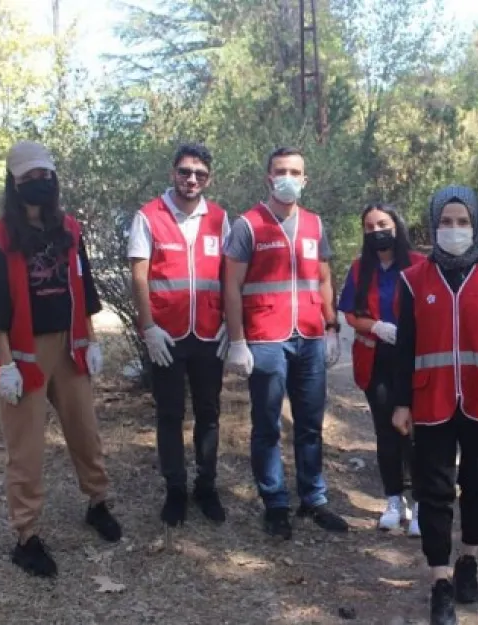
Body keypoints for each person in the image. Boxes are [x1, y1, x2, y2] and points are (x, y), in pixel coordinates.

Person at [0, 141, 121, 578]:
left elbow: (85, 288)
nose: (39, 183)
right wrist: (7, 365)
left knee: (85, 433)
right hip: (23, 353)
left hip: (70, 347)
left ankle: (97, 503)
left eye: (45, 176)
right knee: (27, 450)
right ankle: (26, 535)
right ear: (14, 183)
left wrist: (91, 340)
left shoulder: (70, 230)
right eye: (29, 177)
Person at [392, 185, 478, 625]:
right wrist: (399, 403)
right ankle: (440, 581)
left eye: (462, 222)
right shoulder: (413, 280)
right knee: (433, 492)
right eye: (445, 222)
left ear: (476, 224)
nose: (453, 229)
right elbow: (403, 348)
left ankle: (469, 558)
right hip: (429, 400)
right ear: (433, 225)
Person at [223, 146, 348, 538]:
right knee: (267, 424)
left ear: (305, 179)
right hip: (265, 338)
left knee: (310, 423)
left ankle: (313, 498)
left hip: (310, 336)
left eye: (296, 171)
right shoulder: (248, 225)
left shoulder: (314, 223)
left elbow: (324, 278)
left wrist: (331, 328)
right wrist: (237, 340)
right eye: (281, 171)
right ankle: (275, 501)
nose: (288, 178)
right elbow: (231, 285)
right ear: (268, 177)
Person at [129, 143, 231, 527]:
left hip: (208, 334)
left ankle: (207, 486)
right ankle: (175, 488)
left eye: (200, 174)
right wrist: (148, 327)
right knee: (170, 414)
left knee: (209, 413)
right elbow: (139, 274)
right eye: (186, 172)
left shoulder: (220, 219)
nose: (192, 179)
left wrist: (229, 325)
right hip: (166, 336)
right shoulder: (149, 216)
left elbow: (229, 274)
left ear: (209, 178)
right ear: (173, 172)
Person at [337, 204, 426, 535]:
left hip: (414, 360)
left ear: (397, 225)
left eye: (383, 224)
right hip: (376, 359)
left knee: (414, 433)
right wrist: (375, 327)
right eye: (370, 226)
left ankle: (420, 503)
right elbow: (349, 312)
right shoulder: (361, 269)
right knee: (386, 431)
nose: (377, 230)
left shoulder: (418, 264)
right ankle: (393, 499)